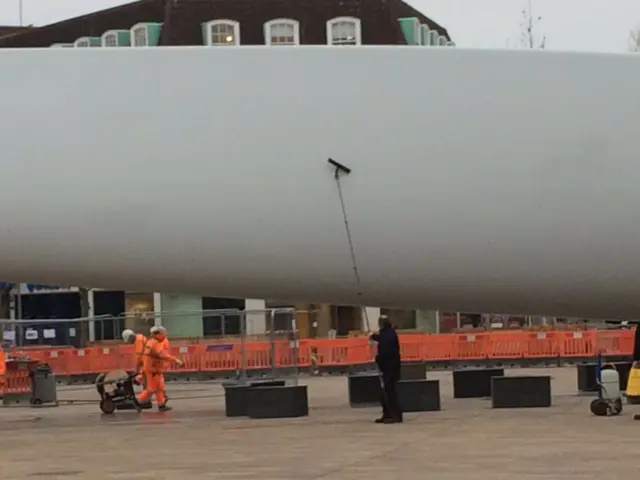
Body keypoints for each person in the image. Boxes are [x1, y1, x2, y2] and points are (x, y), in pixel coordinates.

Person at [136, 326, 183, 411]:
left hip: (155, 370)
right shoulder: (155, 344)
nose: (164, 336)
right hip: (153, 371)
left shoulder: (151, 342)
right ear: (157, 334)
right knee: (151, 389)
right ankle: (138, 401)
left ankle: (161, 404)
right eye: (163, 334)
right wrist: (175, 360)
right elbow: (162, 355)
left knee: (160, 388)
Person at [370, 315, 402, 424]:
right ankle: (387, 413)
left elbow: (386, 349)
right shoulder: (388, 333)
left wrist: (378, 358)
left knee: (390, 391)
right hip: (389, 367)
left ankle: (395, 415)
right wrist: (376, 337)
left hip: (390, 367)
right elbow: (383, 340)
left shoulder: (388, 334)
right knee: (386, 391)